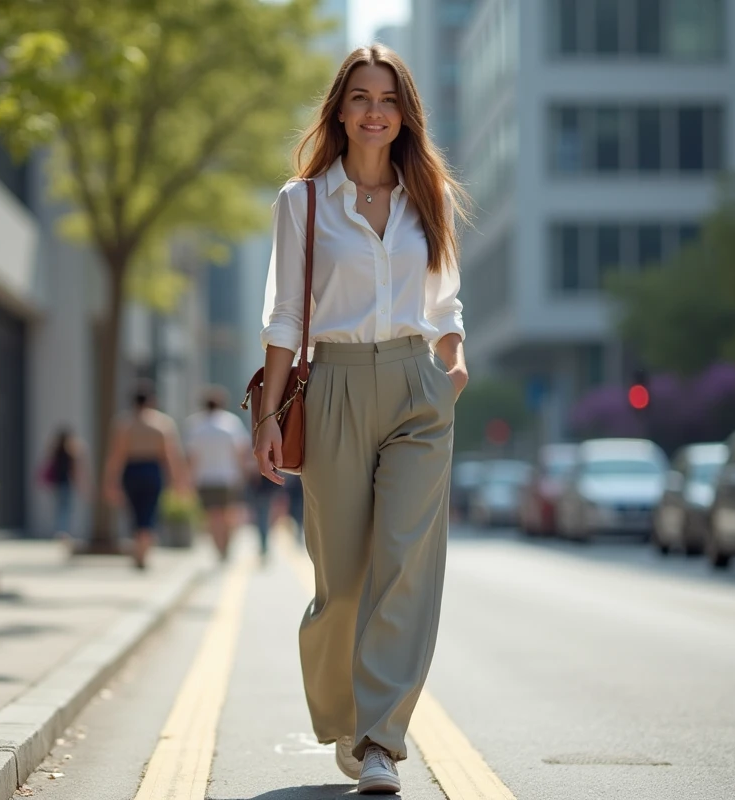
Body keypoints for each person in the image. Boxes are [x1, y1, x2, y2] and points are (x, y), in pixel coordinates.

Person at [252, 44, 469, 795]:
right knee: (341, 582)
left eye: (389, 99)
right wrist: (268, 418)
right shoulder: (302, 202)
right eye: (361, 98)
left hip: (416, 386)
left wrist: (454, 355)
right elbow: (284, 317)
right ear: (339, 111)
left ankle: (382, 739)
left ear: (405, 113)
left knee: (405, 566)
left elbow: (444, 299)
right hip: (334, 386)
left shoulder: (429, 192)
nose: (375, 112)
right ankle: (346, 715)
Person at [102, 380, 188, 569]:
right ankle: (143, 552)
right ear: (151, 400)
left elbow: (116, 455)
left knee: (135, 513)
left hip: (132, 470)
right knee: (149, 512)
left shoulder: (124, 423)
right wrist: (178, 480)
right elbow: (171, 454)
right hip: (152, 470)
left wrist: (110, 482)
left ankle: (139, 552)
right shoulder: (162, 423)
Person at [184, 387, 251, 561]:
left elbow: (192, 456)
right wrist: (244, 472)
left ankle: (218, 548)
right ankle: (226, 544)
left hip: (205, 477)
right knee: (229, 513)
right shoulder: (231, 423)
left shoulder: (196, 425)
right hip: (229, 476)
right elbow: (241, 451)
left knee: (212, 516)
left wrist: (189, 478)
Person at [40, 427, 86, 548]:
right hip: (65, 483)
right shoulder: (70, 452)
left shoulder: (56, 451)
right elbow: (75, 469)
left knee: (60, 509)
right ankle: (62, 533)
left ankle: (60, 531)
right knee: (65, 509)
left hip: (58, 484)